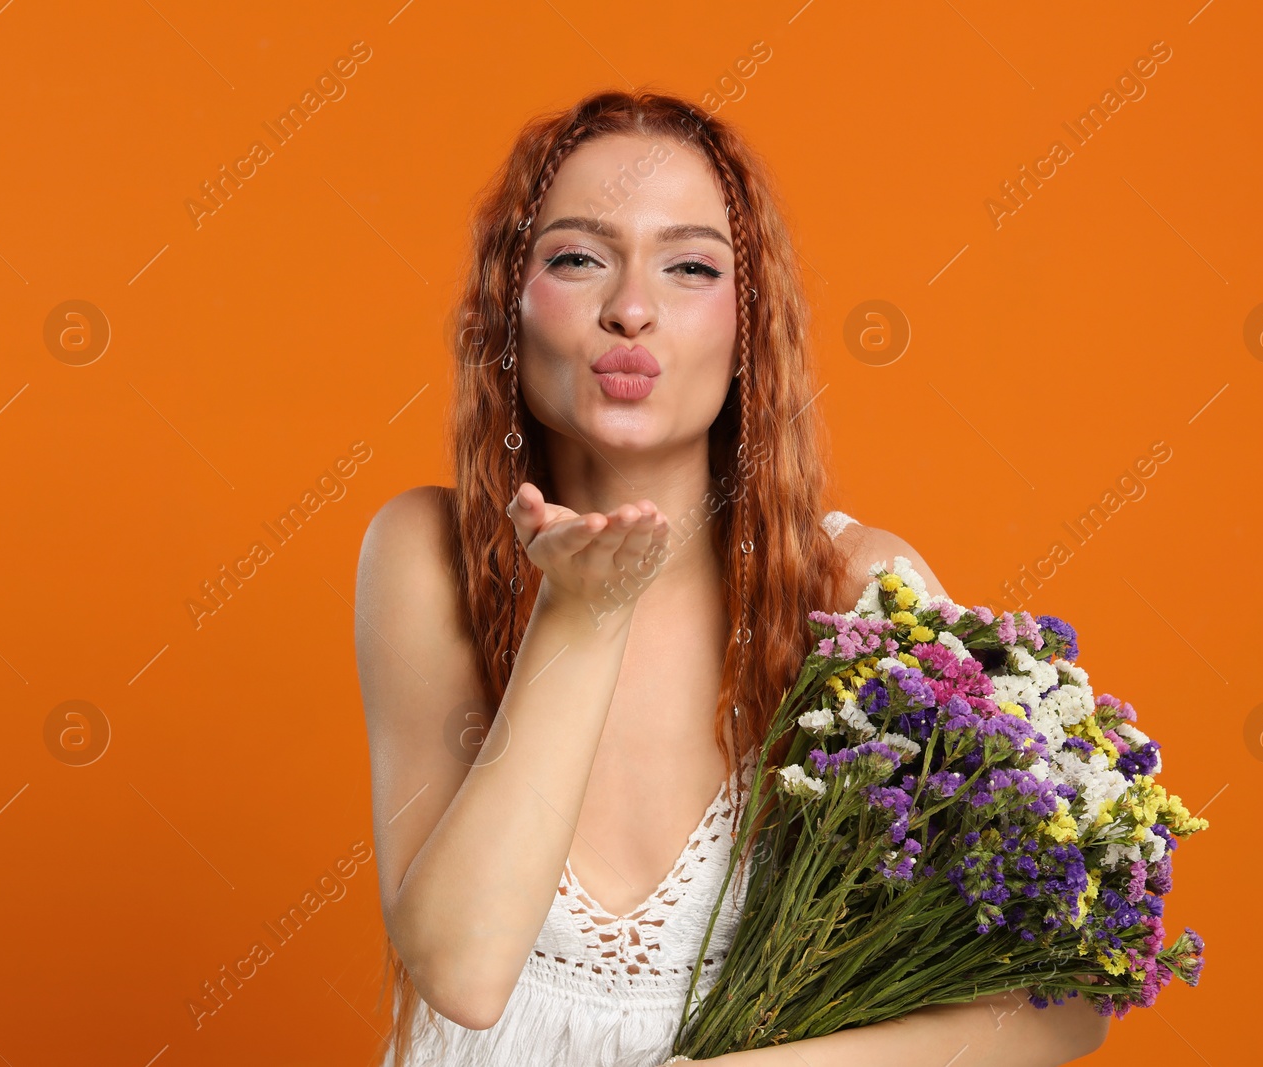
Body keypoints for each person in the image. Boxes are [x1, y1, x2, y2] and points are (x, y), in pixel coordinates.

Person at [353, 88, 1109, 1066]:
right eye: (578, 257)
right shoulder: (425, 555)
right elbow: (462, 968)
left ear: (750, 322)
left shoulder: (853, 593)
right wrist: (583, 613)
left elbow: (1062, 1004)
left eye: (690, 266)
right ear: (508, 304)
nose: (631, 308)